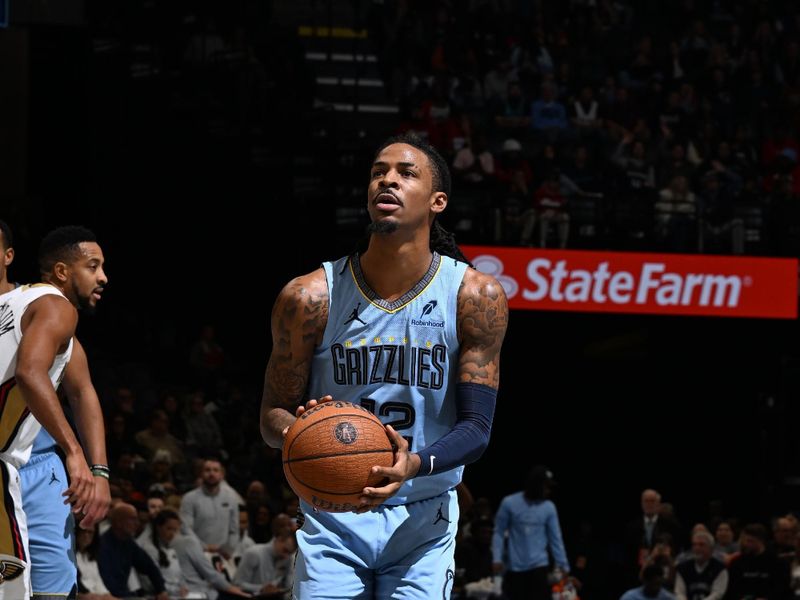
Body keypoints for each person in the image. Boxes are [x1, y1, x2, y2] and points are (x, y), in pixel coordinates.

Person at [260, 132, 509, 599]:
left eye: (405, 173)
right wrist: (302, 428)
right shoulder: (309, 297)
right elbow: (271, 418)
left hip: (424, 511)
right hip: (333, 510)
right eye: (378, 172)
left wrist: (413, 464)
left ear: (438, 202)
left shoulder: (475, 297)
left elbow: (477, 428)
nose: (387, 181)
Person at [0, 224, 113, 599]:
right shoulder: (53, 305)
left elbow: (82, 393)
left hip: (41, 464)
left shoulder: (34, 305)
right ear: (63, 271)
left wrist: (98, 469)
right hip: (10, 464)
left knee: (50, 588)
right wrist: (77, 453)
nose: (103, 277)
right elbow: (30, 373)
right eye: (93, 267)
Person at [491, 465, 571, 600]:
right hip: (515, 568)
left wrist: (563, 565)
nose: (548, 491)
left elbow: (555, 539)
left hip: (539, 567)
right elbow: (498, 532)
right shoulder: (509, 503)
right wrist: (497, 558)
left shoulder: (549, 507)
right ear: (536, 485)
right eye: (546, 486)